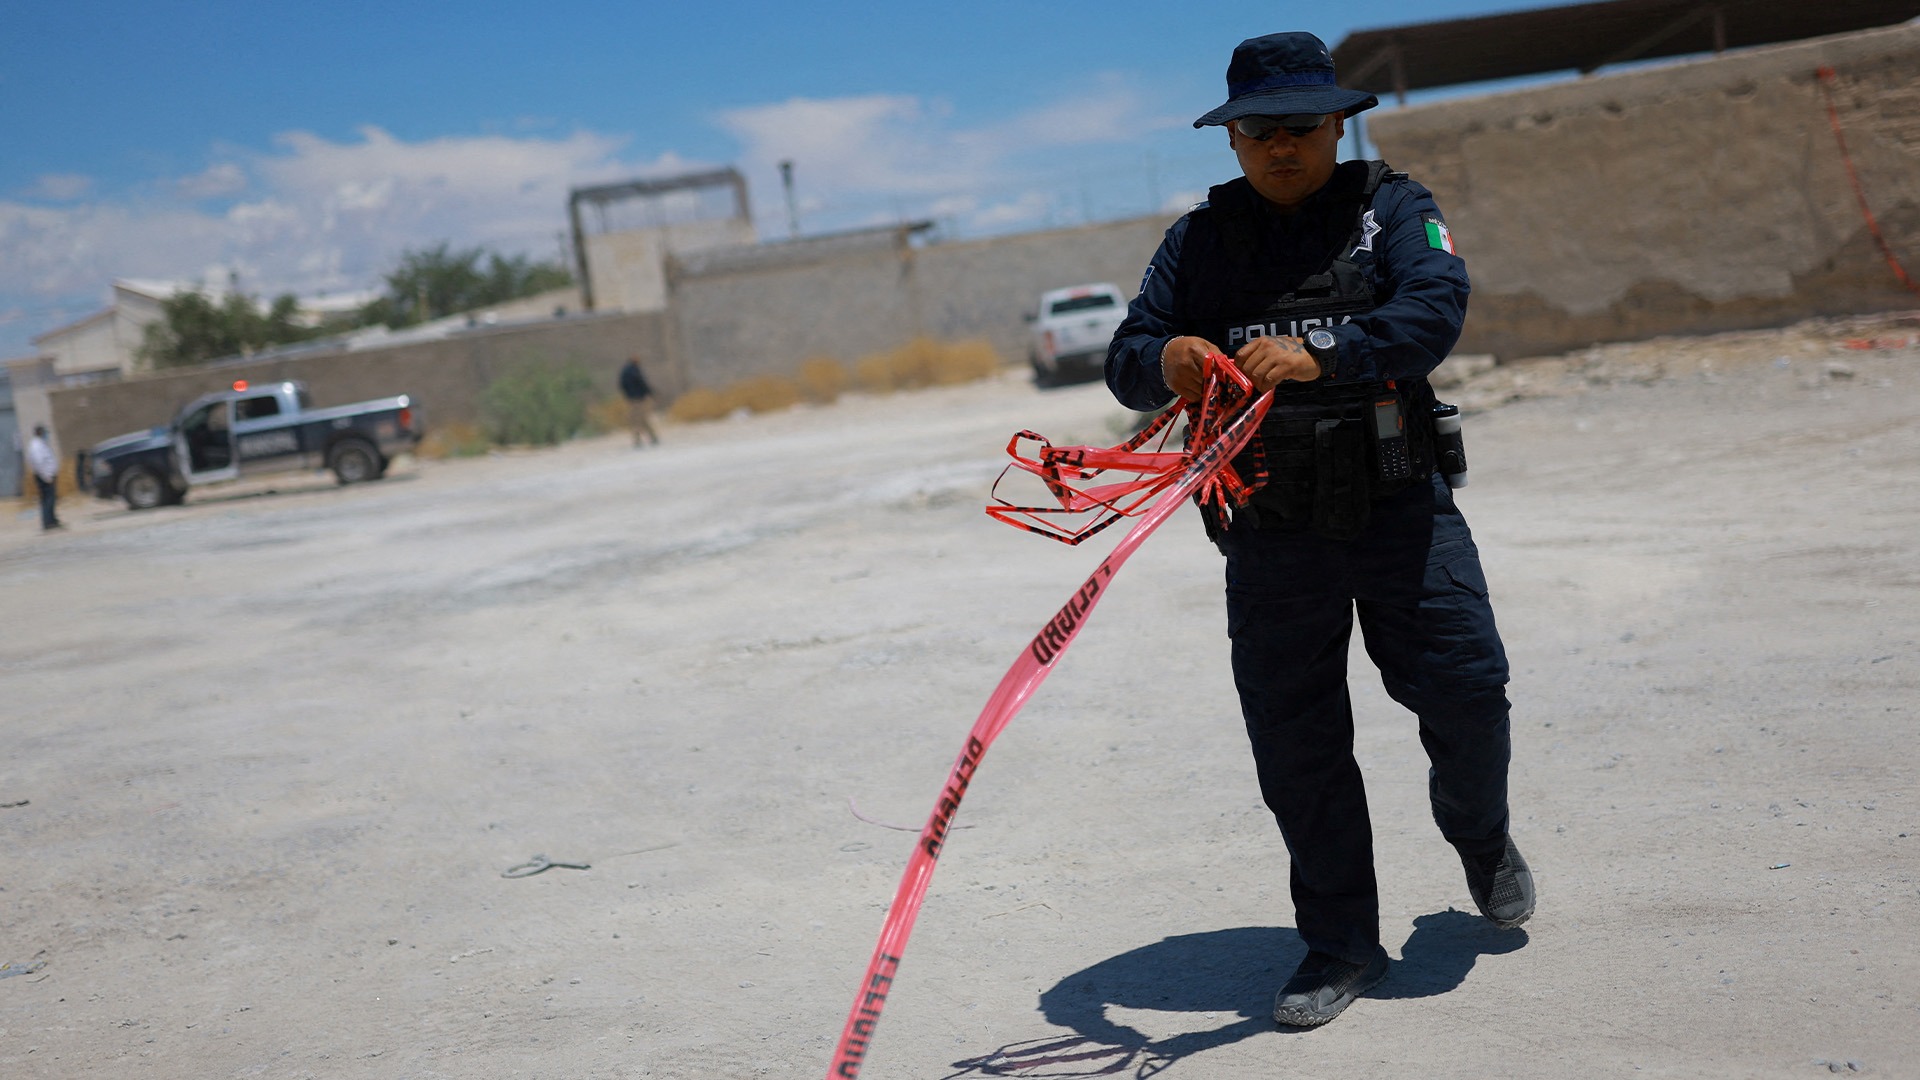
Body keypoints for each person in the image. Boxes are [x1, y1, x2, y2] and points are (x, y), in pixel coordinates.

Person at [1106, 31, 1533, 1029]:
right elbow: (1132, 352)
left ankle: (1481, 837)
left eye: (1302, 125)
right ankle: (1339, 944)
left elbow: (1436, 309)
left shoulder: (1394, 210)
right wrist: (1165, 355)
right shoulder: (1199, 242)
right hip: (1267, 532)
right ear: (1234, 139)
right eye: (1260, 129)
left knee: (1469, 692)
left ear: (1338, 124)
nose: (1282, 145)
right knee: (1297, 744)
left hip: (1400, 510)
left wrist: (1325, 356)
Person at [618, 355, 660, 447]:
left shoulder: (624, 371)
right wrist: (650, 393)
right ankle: (645, 439)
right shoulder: (634, 370)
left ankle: (641, 440)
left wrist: (628, 396)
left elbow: (622, 385)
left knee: (636, 419)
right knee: (640, 419)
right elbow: (642, 382)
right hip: (639, 399)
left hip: (631, 399)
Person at [27, 424, 62, 531]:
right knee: (47, 499)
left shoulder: (41, 444)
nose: (46, 434)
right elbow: (39, 463)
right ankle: (48, 522)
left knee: (50, 499)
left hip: (47, 475)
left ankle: (52, 519)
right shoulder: (36, 446)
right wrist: (47, 476)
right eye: (45, 432)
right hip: (44, 477)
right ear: (40, 432)